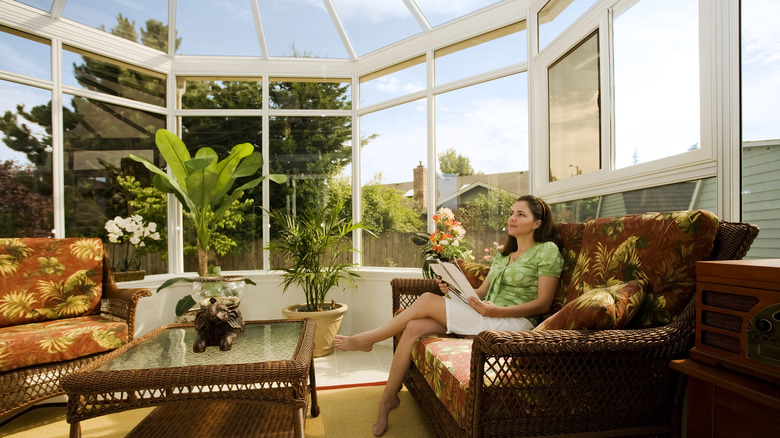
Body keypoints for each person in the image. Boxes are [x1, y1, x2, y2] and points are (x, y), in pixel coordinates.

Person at [334, 195, 564, 437]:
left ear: (537, 223)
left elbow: (543, 303)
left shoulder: (546, 251)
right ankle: (388, 399)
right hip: (487, 313)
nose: (512, 218)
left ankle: (368, 339)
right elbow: (481, 293)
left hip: (513, 324)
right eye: (512, 212)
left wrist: (497, 311)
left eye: (521, 214)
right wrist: (454, 289)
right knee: (413, 327)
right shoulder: (504, 255)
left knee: (425, 299)